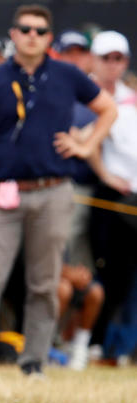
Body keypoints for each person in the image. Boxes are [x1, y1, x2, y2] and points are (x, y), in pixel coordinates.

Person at [0, 4, 117, 376]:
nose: (32, 36)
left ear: (49, 38)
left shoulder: (67, 74)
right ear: (13, 34)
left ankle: (34, 360)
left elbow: (108, 109)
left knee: (45, 282)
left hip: (54, 190)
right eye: (25, 29)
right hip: (3, 193)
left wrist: (85, 144)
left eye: (40, 31)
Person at [82, 31, 137, 363]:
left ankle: (116, 347)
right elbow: (85, 138)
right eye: (107, 58)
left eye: (119, 58)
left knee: (124, 276)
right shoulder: (83, 93)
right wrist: (103, 173)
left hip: (130, 198)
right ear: (94, 59)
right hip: (102, 197)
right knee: (100, 272)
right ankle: (88, 343)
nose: (113, 65)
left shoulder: (131, 99)